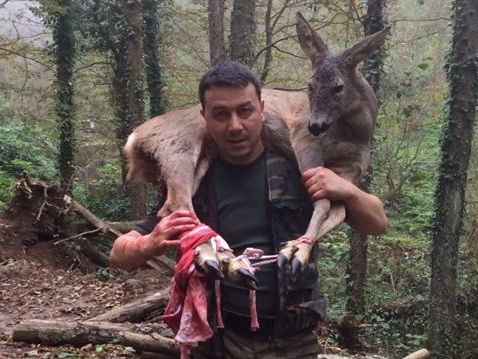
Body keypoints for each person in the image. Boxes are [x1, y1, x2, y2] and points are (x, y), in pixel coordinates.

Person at [110, 61, 388, 358]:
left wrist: (347, 189)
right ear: (203, 117)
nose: (235, 126)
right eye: (220, 114)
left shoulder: (296, 167)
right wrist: (148, 243)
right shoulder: (194, 183)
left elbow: (377, 223)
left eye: (245, 111)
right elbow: (119, 256)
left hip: (294, 344)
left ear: (262, 109)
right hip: (219, 342)